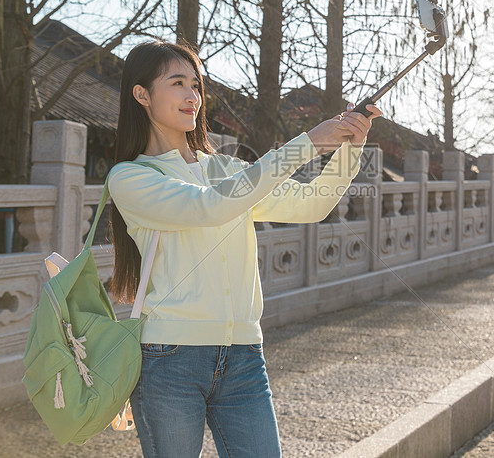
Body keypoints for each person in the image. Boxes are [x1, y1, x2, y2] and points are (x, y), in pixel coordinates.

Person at [107, 40, 381, 457]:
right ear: (142, 95)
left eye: (196, 85)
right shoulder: (131, 177)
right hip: (169, 361)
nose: (192, 96)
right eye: (177, 83)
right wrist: (307, 142)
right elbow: (210, 207)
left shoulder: (226, 169)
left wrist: (350, 147)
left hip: (244, 358)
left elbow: (311, 204)